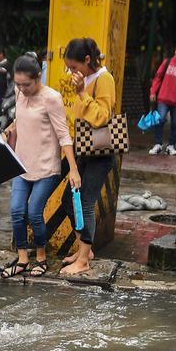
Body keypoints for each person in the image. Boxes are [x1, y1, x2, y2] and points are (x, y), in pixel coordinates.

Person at [2, 54, 79, 279]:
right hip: (22, 164)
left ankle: (42, 258)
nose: (22, 89)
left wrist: (73, 169)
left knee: (34, 211)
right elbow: (20, 121)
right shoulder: (19, 93)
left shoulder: (51, 98)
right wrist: (10, 131)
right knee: (17, 210)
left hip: (46, 167)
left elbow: (64, 135)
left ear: (37, 78)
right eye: (18, 84)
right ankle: (23, 258)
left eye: (26, 84)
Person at [60, 37, 116, 276]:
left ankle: (83, 260)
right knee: (68, 201)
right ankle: (86, 249)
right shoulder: (86, 79)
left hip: (100, 153)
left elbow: (102, 116)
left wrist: (82, 93)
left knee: (84, 202)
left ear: (87, 60)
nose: (72, 72)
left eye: (74, 67)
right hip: (83, 148)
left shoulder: (104, 79)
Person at [148, 40, 176, 155]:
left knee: (175, 123)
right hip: (164, 98)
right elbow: (158, 77)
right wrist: (153, 91)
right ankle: (157, 144)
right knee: (160, 119)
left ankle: (171, 146)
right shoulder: (167, 62)